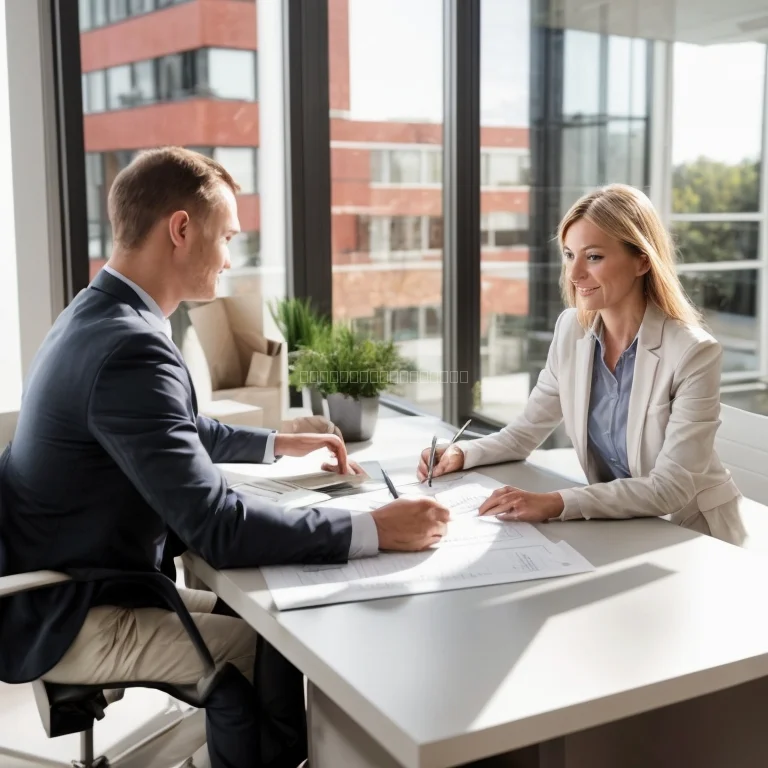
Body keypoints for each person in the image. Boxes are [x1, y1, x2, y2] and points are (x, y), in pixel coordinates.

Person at [0, 147, 450, 768]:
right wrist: (375, 528)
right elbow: (218, 529)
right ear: (181, 229)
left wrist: (276, 443)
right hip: (73, 608)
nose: (231, 259)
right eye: (228, 237)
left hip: (68, 575)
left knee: (262, 626)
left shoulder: (98, 312)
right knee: (259, 652)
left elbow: (169, 426)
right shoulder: (131, 345)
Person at [417, 183, 746, 546]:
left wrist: (554, 502)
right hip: (619, 526)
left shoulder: (693, 352)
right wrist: (462, 453)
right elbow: (524, 433)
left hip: (691, 534)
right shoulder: (571, 329)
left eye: (593, 257)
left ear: (642, 260)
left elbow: (669, 489)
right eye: (569, 255)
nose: (574, 276)